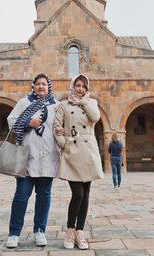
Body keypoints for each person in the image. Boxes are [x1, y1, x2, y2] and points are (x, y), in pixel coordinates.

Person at [5, 73, 62, 249]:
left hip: (48, 156)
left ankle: (39, 231)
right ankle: (14, 233)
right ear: (33, 86)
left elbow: (63, 124)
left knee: (44, 196)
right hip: (27, 157)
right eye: (38, 84)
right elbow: (11, 120)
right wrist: (28, 122)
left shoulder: (56, 106)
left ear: (49, 86)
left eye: (44, 84)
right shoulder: (24, 103)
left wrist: (62, 130)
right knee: (21, 196)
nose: (41, 87)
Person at [53, 74, 104, 250]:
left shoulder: (91, 103)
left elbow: (95, 117)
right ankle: (69, 230)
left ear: (87, 88)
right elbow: (56, 127)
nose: (80, 89)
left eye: (83, 86)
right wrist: (64, 144)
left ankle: (80, 232)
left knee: (86, 195)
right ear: (72, 86)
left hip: (88, 151)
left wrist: (83, 102)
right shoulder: (64, 106)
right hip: (72, 151)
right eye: (78, 85)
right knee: (78, 194)